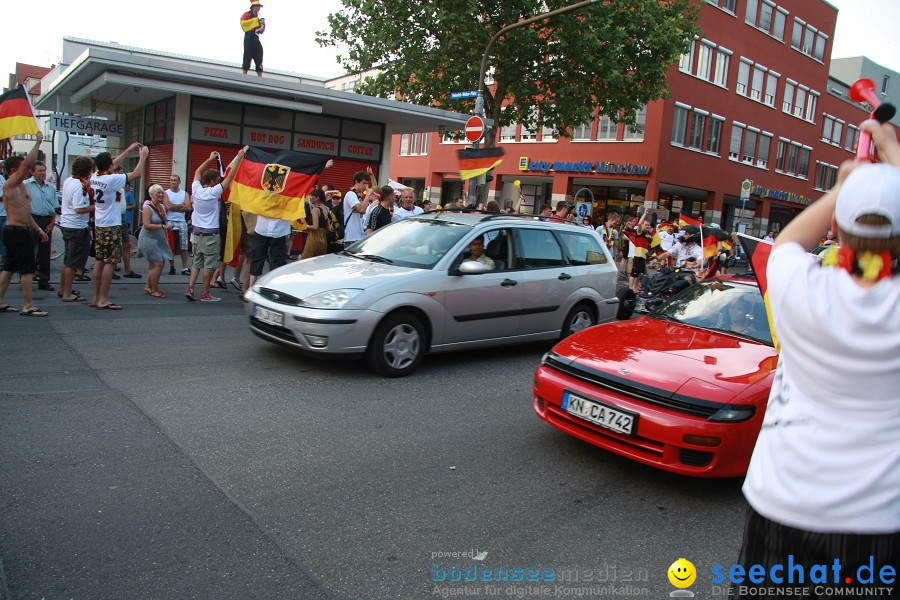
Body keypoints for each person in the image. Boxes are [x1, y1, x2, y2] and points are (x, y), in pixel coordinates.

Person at [735, 120, 900, 599]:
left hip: (782, 502)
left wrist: (845, 187)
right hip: (879, 521)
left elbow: (785, 243)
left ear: (838, 229)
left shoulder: (800, 288)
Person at [89, 144, 148, 310]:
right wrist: (142, 156)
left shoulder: (95, 176)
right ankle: (103, 299)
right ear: (109, 166)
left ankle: (95, 298)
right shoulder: (111, 179)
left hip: (99, 225)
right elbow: (136, 174)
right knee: (110, 262)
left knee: (99, 261)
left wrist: (128, 150)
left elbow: (112, 164)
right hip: (111, 225)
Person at [186, 149, 245, 302]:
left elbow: (198, 171)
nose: (219, 182)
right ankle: (205, 293)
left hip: (196, 232)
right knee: (209, 265)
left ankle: (190, 288)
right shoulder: (213, 192)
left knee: (196, 263)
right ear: (212, 181)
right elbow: (230, 176)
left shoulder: (196, 188)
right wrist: (239, 158)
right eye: (218, 180)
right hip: (210, 233)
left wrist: (209, 158)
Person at [0, 134, 49, 315]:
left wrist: (38, 230)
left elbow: (25, 213)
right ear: (14, 169)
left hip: (21, 230)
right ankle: (28, 305)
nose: (26, 170)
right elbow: (29, 165)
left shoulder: (21, 186)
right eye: (22, 167)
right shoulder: (11, 184)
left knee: (9, 268)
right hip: (15, 232)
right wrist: (37, 142)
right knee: (27, 269)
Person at [58, 156, 95, 303]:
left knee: (68, 260)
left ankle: (63, 288)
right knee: (73, 263)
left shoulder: (69, 181)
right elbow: (79, 209)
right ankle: (67, 293)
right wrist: (93, 207)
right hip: (76, 226)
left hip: (67, 224)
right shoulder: (78, 186)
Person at [23, 160, 58, 290]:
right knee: (29, 251)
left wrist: (52, 222)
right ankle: (26, 279)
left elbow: (53, 206)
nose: (43, 173)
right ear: (32, 172)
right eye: (40, 170)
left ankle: (44, 281)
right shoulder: (26, 185)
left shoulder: (50, 187)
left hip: (46, 220)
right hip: (32, 220)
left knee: (45, 253)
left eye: (44, 170)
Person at [138, 185, 174, 298]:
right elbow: (146, 225)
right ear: (151, 194)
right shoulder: (147, 208)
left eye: (162, 193)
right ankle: (154, 289)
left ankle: (148, 286)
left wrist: (168, 225)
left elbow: (165, 220)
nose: (161, 195)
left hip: (159, 238)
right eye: (158, 193)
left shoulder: (162, 207)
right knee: (157, 263)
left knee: (156, 264)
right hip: (148, 239)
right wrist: (162, 226)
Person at [164, 173, 191, 274]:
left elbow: (188, 207)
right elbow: (167, 207)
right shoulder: (166, 193)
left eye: (175, 180)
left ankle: (185, 268)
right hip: (170, 221)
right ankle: (172, 267)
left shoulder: (184, 194)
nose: (173, 182)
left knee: (184, 245)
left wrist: (173, 206)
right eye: (171, 180)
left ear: (179, 182)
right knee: (171, 245)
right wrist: (181, 205)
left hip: (181, 221)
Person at [342, 168, 375, 247]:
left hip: (360, 236)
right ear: (356, 182)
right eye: (364, 183)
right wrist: (367, 195)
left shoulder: (358, 196)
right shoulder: (351, 194)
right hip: (352, 237)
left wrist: (372, 175)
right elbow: (361, 209)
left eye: (367, 183)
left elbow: (375, 189)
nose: (365, 186)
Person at [301, 188, 332, 259]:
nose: (310, 198)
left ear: (317, 197)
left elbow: (315, 227)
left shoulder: (315, 210)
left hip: (314, 238)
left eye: (312, 196)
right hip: (323, 239)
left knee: (307, 260)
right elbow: (328, 228)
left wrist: (306, 226)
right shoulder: (327, 208)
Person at [240, 0, 265, 76]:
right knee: (247, 56)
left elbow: (261, 31)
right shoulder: (246, 14)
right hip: (248, 37)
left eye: (259, 6)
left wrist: (263, 25)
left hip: (256, 38)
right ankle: (244, 75)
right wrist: (255, 21)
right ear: (253, 7)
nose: (258, 8)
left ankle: (260, 76)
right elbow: (243, 24)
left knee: (259, 55)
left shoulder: (260, 16)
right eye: (257, 6)